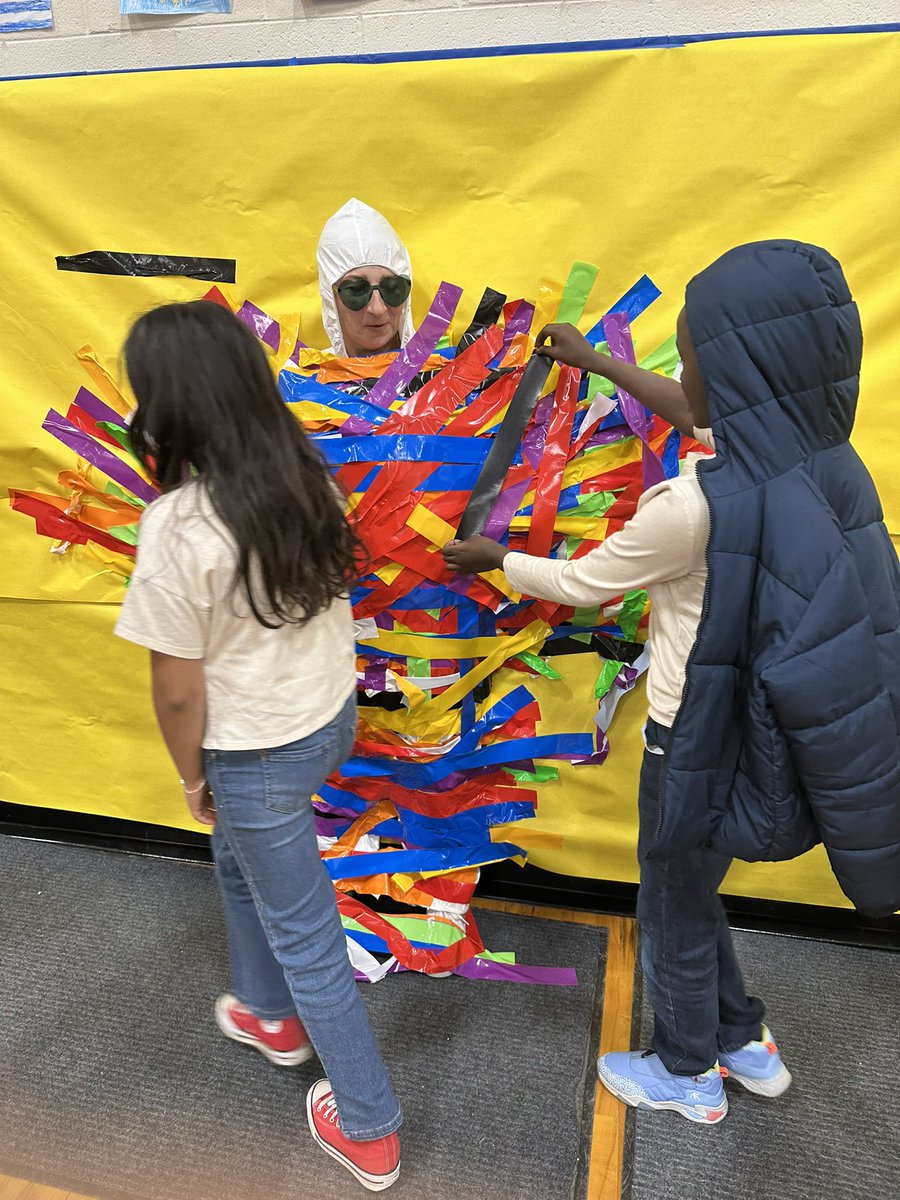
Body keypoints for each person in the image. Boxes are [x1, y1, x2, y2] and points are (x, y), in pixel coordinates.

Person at [444, 239, 900, 1123]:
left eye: (691, 360)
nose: (685, 378)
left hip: (690, 742)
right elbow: (695, 414)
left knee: (671, 904)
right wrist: (598, 363)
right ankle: (743, 1039)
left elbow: (582, 583)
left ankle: (688, 1071)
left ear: (734, 374)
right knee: (689, 889)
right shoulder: (817, 459)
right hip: (750, 737)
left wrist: (497, 558)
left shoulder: (691, 509)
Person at [114, 300, 402, 1191]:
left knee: (307, 935)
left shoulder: (179, 526)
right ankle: (268, 1013)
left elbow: (176, 690)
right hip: (326, 724)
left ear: (170, 405)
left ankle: (370, 1125)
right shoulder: (307, 475)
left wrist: (192, 776)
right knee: (239, 863)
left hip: (255, 755)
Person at [317, 198, 415, 358]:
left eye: (391, 288)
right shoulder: (302, 373)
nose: (377, 309)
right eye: (357, 291)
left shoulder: (444, 367)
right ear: (331, 298)